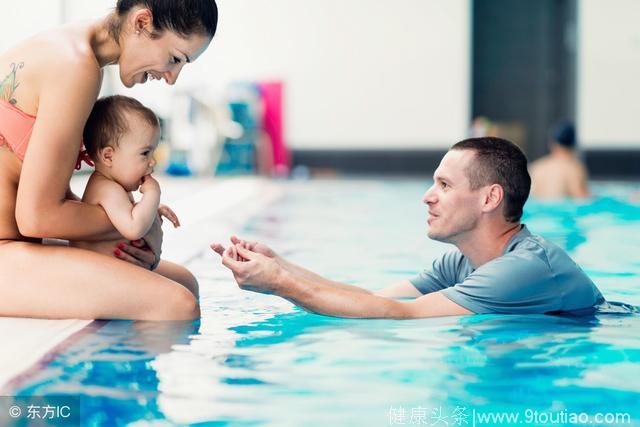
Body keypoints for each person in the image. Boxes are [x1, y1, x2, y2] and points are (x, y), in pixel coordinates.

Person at [212, 137, 605, 319]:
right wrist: (279, 265)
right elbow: (374, 299)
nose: (427, 197)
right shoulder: (462, 262)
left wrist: (278, 283)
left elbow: (400, 315)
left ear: (489, 199)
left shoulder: (525, 268)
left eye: (445, 185)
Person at [0, 0, 217, 320]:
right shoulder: (75, 66)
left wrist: (133, 221)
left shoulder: (75, 49)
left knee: (184, 282)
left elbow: (44, 198)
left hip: (14, 243)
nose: (172, 78)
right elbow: (36, 217)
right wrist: (137, 224)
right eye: (174, 59)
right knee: (177, 306)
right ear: (142, 22)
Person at [70, 95, 198, 298]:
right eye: (145, 153)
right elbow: (133, 227)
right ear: (108, 156)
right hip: (100, 280)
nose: (152, 162)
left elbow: (126, 215)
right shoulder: (105, 188)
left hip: (113, 272)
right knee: (175, 298)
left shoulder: (113, 185)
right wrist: (153, 195)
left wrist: (152, 209)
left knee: (189, 283)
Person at [529, 122, 590, 199]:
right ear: (573, 144)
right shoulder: (574, 169)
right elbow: (582, 199)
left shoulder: (536, 167)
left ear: (551, 143)